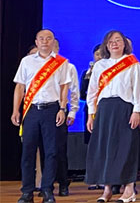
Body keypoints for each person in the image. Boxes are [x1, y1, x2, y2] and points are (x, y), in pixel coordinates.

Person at [85, 30, 140, 203]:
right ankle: (107, 190)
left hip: (125, 108)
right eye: (111, 41)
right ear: (106, 45)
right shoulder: (100, 65)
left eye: (118, 40)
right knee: (105, 149)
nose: (114, 44)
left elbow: (139, 89)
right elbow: (92, 91)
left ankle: (129, 190)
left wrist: (137, 111)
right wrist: (91, 114)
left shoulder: (133, 64)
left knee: (126, 148)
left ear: (124, 44)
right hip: (104, 109)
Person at [12, 29, 71, 203]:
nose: (45, 41)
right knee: (28, 151)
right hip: (31, 110)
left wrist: (62, 109)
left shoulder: (61, 63)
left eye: (48, 38)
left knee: (51, 152)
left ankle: (47, 190)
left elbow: (64, 87)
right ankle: (27, 191)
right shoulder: (27, 61)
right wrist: (16, 110)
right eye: (41, 38)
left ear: (53, 42)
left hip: (52, 109)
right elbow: (20, 87)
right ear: (36, 42)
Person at [47, 39, 79, 197]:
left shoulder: (67, 66)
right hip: (42, 110)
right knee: (45, 149)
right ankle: (47, 185)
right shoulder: (38, 65)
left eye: (53, 45)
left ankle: (63, 183)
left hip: (59, 109)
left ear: (58, 48)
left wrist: (72, 112)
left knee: (59, 149)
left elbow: (74, 91)